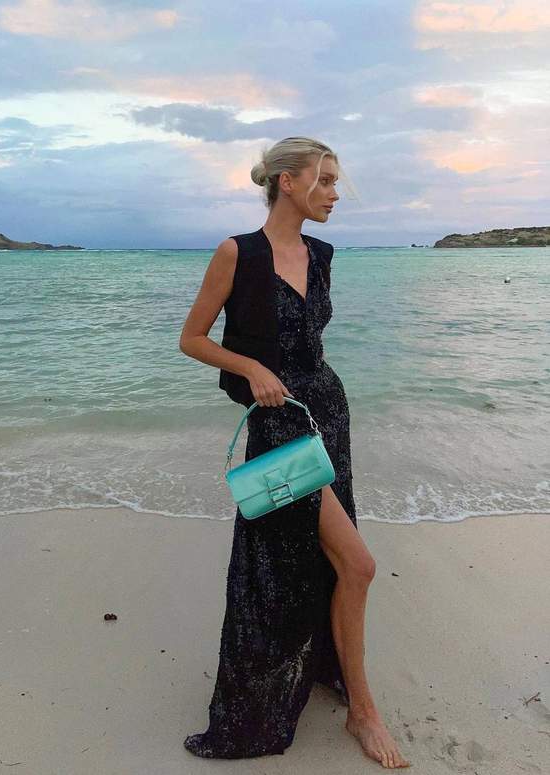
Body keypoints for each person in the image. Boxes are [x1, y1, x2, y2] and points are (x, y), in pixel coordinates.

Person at [178, 136, 410, 769]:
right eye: (325, 180)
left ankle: (328, 672)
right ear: (288, 181)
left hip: (327, 412)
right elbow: (192, 339)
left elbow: (311, 345)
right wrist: (251, 367)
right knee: (356, 564)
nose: (334, 193)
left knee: (329, 563)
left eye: (334, 182)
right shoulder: (238, 253)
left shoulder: (321, 254)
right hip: (279, 426)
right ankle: (364, 713)